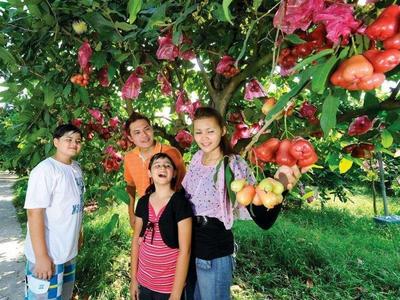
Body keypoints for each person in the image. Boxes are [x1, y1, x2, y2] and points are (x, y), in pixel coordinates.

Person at [182, 107, 304, 299]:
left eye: (210, 131)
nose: (204, 137)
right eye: (198, 132)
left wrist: (282, 186)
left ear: (222, 130)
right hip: (189, 249)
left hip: (213, 251)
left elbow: (260, 214)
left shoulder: (233, 164)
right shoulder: (197, 159)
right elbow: (183, 199)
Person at [24, 124, 85, 300]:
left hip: (68, 252)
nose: (74, 143)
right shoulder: (45, 171)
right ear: (56, 142)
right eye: (68, 139)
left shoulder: (76, 168)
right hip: (48, 255)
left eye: (78, 141)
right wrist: (41, 256)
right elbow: (34, 213)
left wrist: (79, 234)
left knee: (64, 297)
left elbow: (76, 205)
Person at [130, 152, 193, 300]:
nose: (162, 168)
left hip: (168, 287)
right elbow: (135, 240)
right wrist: (133, 279)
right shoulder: (143, 202)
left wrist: (176, 294)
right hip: (143, 283)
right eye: (157, 166)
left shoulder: (180, 203)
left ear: (174, 173)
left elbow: (185, 250)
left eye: (167, 165)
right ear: (149, 172)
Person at [124, 112, 186, 228]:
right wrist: (131, 213)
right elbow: (130, 186)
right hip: (144, 212)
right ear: (130, 138)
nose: (144, 135)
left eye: (146, 129)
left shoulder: (171, 153)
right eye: (137, 132)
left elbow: (185, 186)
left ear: (152, 129)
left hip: (171, 213)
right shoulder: (129, 158)